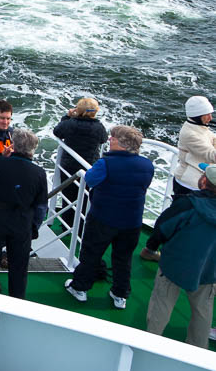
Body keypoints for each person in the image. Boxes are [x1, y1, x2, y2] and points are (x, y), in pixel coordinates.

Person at [64, 125, 154, 309]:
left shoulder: (106, 164)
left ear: (122, 144)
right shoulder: (147, 165)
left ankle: (80, 288)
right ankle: (120, 295)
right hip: (132, 222)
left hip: (103, 219)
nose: (109, 140)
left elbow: (90, 179)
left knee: (91, 254)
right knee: (123, 258)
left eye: (113, 138)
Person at [0, 128, 48, 326]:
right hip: (21, 225)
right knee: (19, 268)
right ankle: (15, 312)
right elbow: (41, 206)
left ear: (12, 144)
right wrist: (33, 227)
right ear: (33, 149)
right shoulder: (39, 173)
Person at [145, 164, 216, 348]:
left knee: (161, 305)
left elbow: (163, 227)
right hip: (209, 271)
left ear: (204, 181)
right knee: (203, 312)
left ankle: (150, 343)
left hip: (174, 265)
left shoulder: (187, 204)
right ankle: (198, 351)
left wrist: (151, 248)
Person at [142, 95, 216, 261]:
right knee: (174, 217)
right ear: (198, 115)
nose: (210, 118)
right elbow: (212, 155)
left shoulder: (199, 127)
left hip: (200, 181)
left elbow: (212, 140)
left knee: (182, 217)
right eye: (207, 115)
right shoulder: (190, 133)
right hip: (189, 182)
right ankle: (151, 248)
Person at [52, 97, 107, 231]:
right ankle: (81, 226)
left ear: (78, 110)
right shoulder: (98, 127)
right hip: (88, 166)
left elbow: (57, 131)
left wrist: (67, 116)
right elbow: (103, 139)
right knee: (85, 197)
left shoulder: (70, 123)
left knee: (68, 195)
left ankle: (67, 225)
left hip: (69, 166)